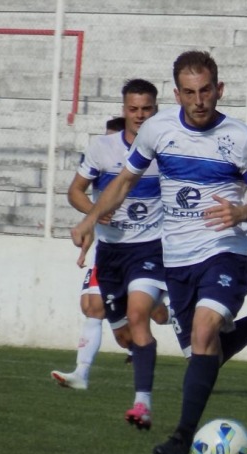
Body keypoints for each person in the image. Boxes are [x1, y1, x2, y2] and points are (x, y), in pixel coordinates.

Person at [69, 51, 247, 454]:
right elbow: (125, 180)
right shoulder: (158, 130)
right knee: (203, 351)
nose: (199, 100)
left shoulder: (240, 138)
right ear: (177, 94)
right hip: (175, 257)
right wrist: (91, 218)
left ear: (219, 89)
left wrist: (243, 211)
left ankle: (182, 436)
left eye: (206, 91)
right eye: (190, 92)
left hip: (224, 249)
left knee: (202, 333)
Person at [53, 79, 167, 431]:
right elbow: (75, 191)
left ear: (155, 110)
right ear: (124, 110)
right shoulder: (102, 149)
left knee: (137, 316)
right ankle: (173, 311)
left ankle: (142, 404)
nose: (140, 115)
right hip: (111, 253)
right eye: (133, 109)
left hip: (151, 247)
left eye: (147, 109)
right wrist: (93, 212)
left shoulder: (166, 149)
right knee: (122, 333)